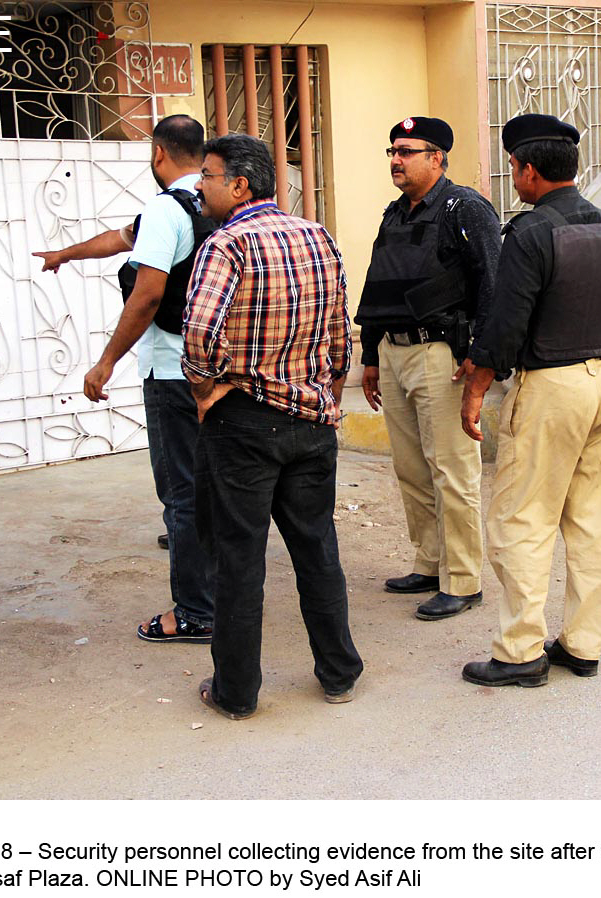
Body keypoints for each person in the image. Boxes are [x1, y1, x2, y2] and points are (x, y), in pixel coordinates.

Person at [459, 114, 601, 687]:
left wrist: (476, 388)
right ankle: (584, 645)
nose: (514, 178)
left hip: (552, 387)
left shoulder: (531, 233)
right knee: (589, 521)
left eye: (514, 167)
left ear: (529, 170)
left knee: (523, 518)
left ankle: (519, 653)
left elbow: (506, 326)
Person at [185, 134, 362, 720]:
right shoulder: (318, 237)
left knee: (240, 560)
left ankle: (236, 692)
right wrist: (326, 396)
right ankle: (339, 673)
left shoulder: (226, 245)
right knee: (318, 548)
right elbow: (339, 335)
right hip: (312, 418)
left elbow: (198, 338)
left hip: (245, 420)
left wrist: (207, 389)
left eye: (207, 175)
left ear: (239, 185)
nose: (199, 185)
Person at [33, 115, 218, 644]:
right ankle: (228, 590)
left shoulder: (168, 209)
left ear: (159, 153)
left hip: (173, 373)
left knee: (182, 494)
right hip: (221, 369)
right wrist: (66, 254)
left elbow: (148, 295)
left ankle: (196, 612)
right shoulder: (218, 204)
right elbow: (118, 239)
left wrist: (106, 360)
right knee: (217, 486)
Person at [355, 116, 502, 621]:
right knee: (412, 468)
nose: (396, 160)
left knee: (452, 469)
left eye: (408, 151)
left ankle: (463, 579)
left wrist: (479, 356)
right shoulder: (395, 214)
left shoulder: (466, 209)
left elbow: (492, 285)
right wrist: (371, 354)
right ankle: (430, 562)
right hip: (394, 353)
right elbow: (379, 285)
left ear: (437, 157)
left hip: (442, 355)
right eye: (392, 150)